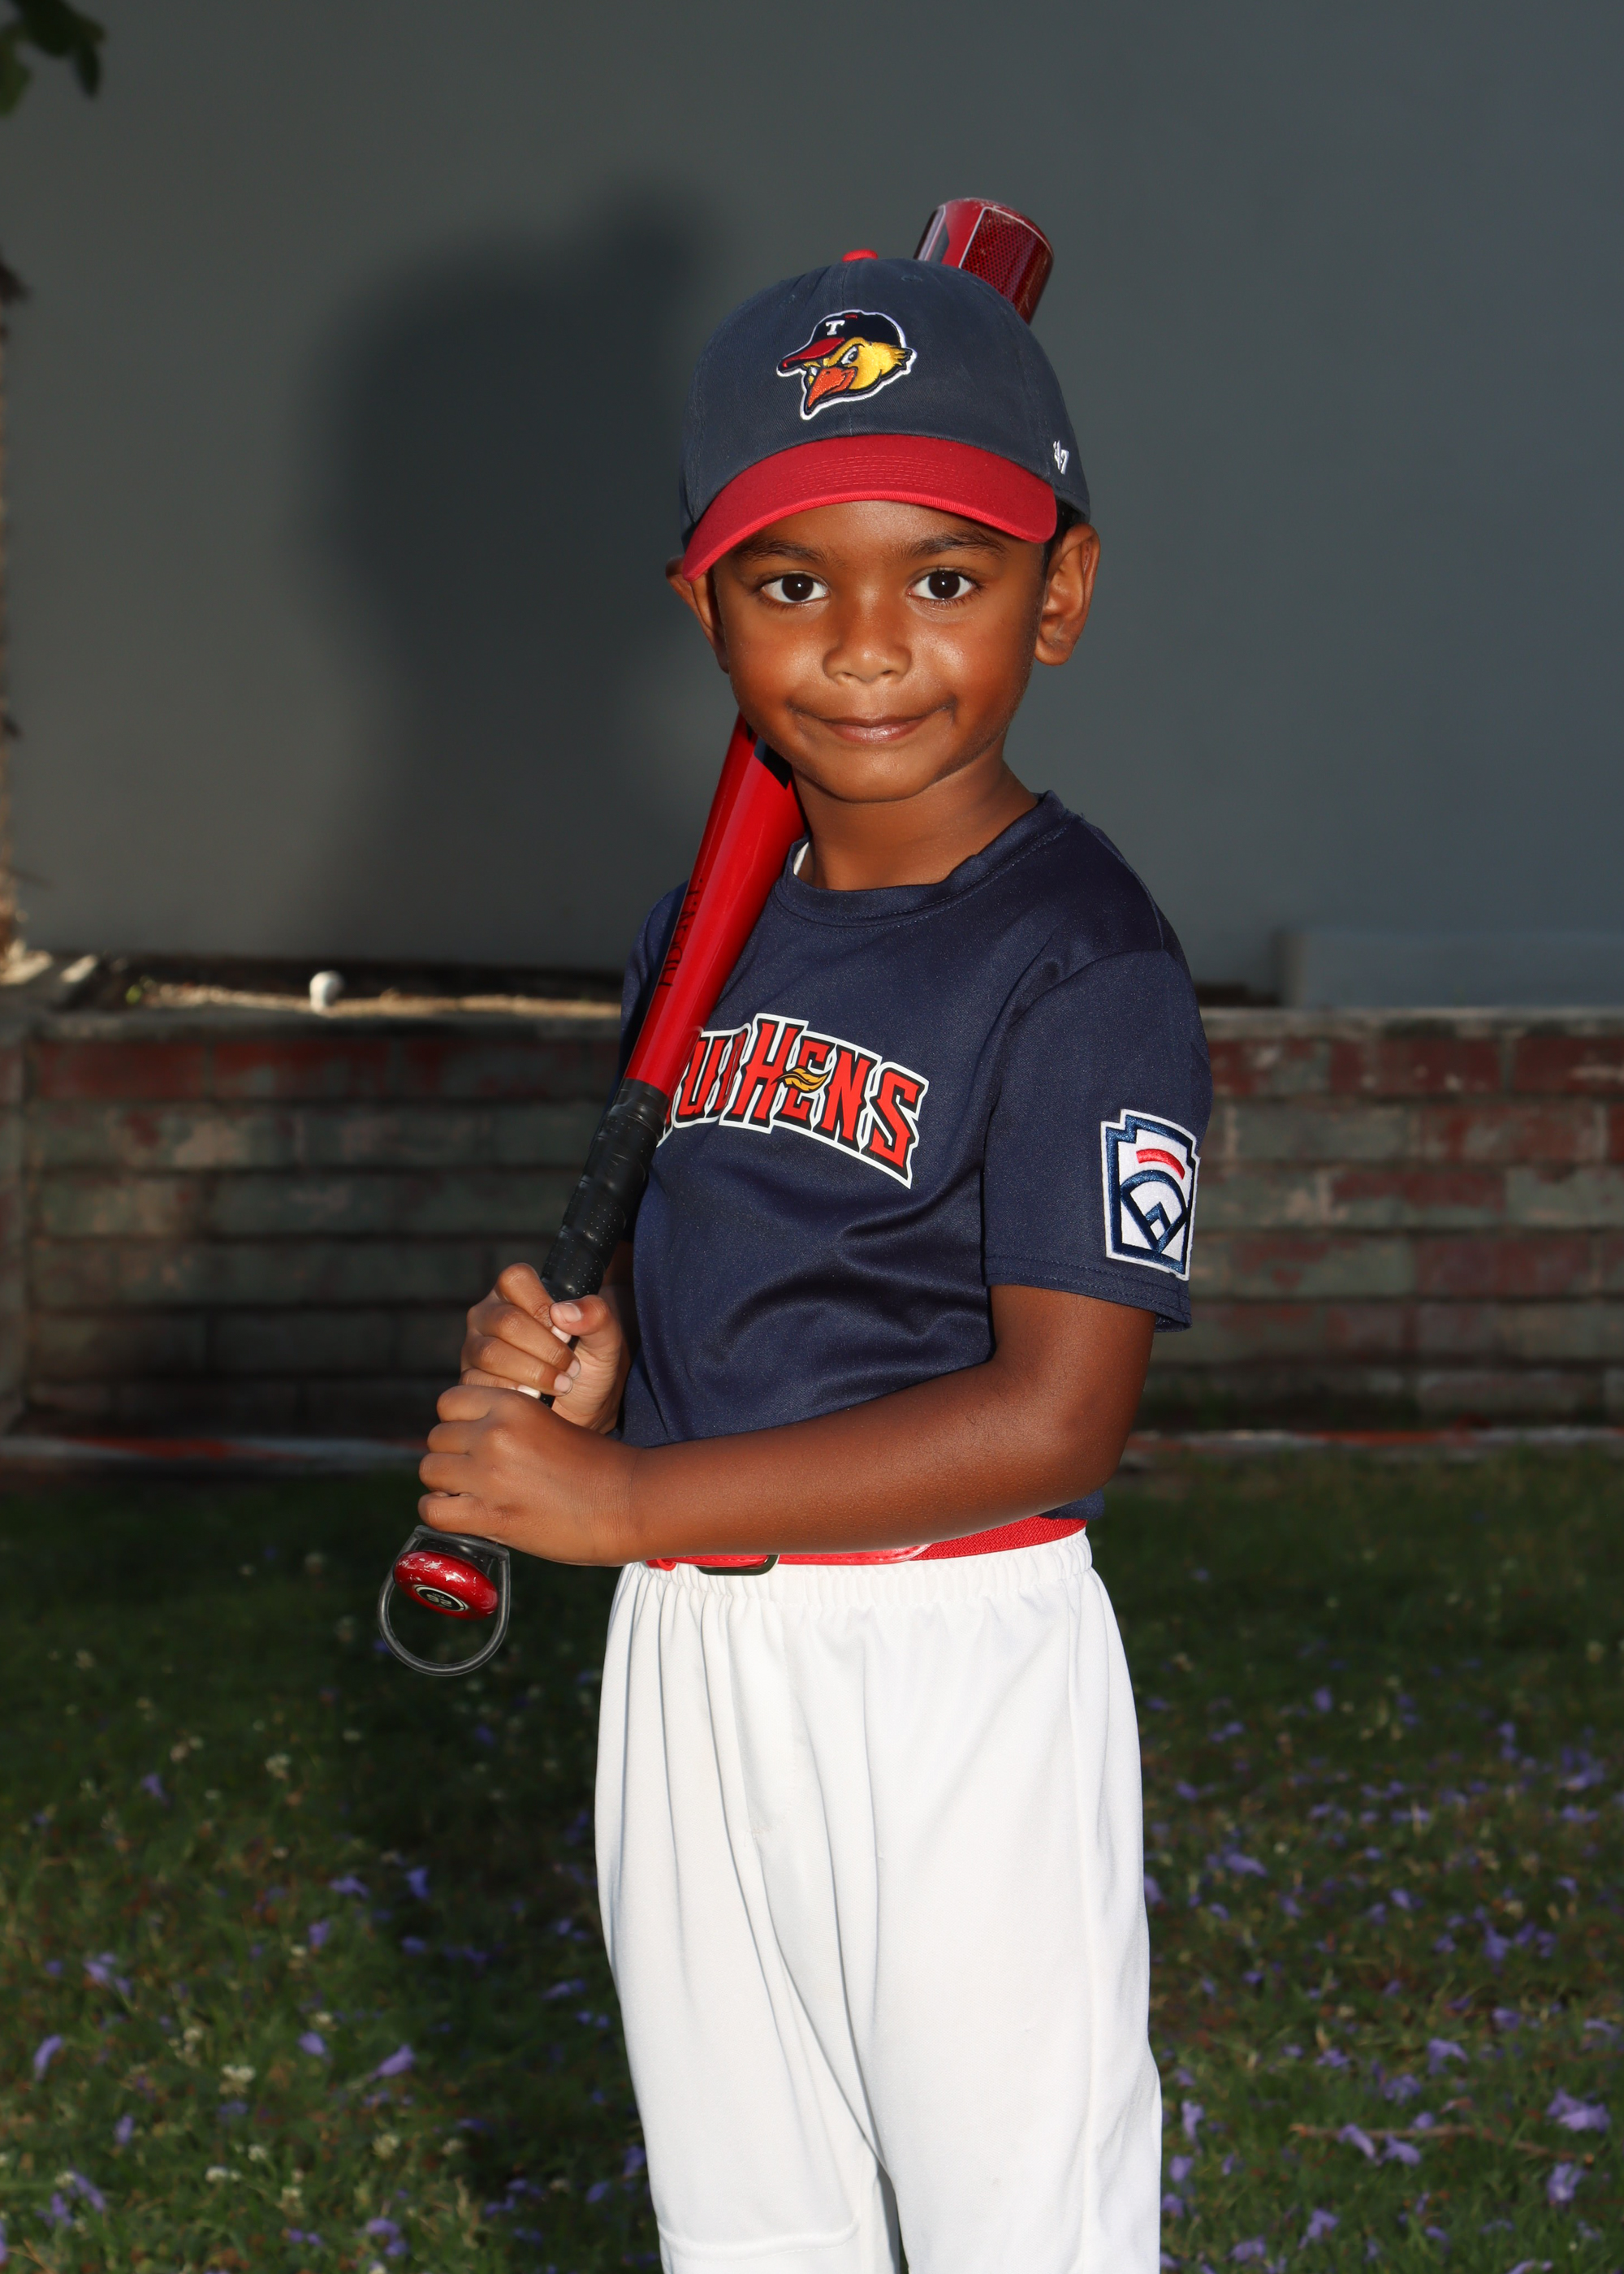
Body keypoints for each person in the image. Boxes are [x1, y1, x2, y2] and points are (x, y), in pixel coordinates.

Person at [419, 249, 1212, 2274]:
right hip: (694, 1658)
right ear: (702, 606)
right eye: (790, 583)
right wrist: (604, 1374)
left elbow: (1058, 1417)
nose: (866, 646)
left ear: (1062, 592)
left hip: (950, 1654)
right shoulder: (705, 924)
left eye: (943, 577)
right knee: (749, 2218)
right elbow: (736, 1262)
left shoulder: (1082, 958)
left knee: (1014, 2221)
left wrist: (626, 1498)